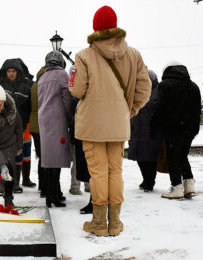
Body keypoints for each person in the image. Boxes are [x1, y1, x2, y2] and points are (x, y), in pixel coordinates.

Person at [70, 6, 151, 236]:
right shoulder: (133, 54)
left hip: (91, 124)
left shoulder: (84, 56)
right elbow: (145, 88)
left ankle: (98, 223)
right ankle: (114, 223)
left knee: (98, 173)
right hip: (118, 123)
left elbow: (76, 90)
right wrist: (130, 110)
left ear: (95, 28)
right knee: (115, 171)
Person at [151, 62, 201, 199]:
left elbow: (159, 108)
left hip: (173, 128)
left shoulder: (166, 85)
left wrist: (154, 126)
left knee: (173, 157)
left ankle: (177, 187)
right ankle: (189, 184)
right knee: (183, 155)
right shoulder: (194, 86)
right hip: (190, 128)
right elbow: (197, 110)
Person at [38, 51, 73, 208]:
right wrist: (71, 117)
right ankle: (53, 196)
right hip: (57, 120)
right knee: (56, 161)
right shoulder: (62, 75)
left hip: (44, 121)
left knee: (49, 160)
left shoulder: (43, 77)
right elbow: (67, 99)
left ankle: (53, 193)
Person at [0, 58, 33, 193]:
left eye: (13, 71)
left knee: (22, 154)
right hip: (5, 126)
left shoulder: (26, 86)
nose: (11, 73)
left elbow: (31, 106)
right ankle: (2, 183)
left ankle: (19, 181)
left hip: (24, 126)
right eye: (9, 71)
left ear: (18, 72)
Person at [128, 70, 163, 192]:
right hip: (136, 129)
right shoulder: (135, 89)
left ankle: (150, 181)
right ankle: (145, 178)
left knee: (151, 158)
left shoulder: (158, 91)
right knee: (139, 157)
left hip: (151, 130)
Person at [29, 66, 47, 197]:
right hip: (46, 124)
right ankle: (45, 185)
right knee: (47, 157)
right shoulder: (46, 84)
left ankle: (42, 185)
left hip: (35, 125)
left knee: (42, 156)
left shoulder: (35, 85)